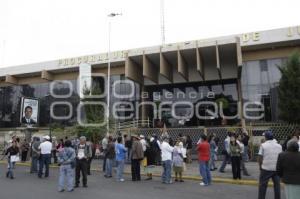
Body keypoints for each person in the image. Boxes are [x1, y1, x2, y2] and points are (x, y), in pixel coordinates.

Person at [258, 131, 282, 199]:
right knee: (277, 186)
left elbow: (260, 157)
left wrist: (260, 166)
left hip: (266, 168)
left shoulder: (263, 145)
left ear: (266, 137)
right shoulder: (279, 146)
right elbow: (280, 157)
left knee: (263, 185)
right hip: (276, 169)